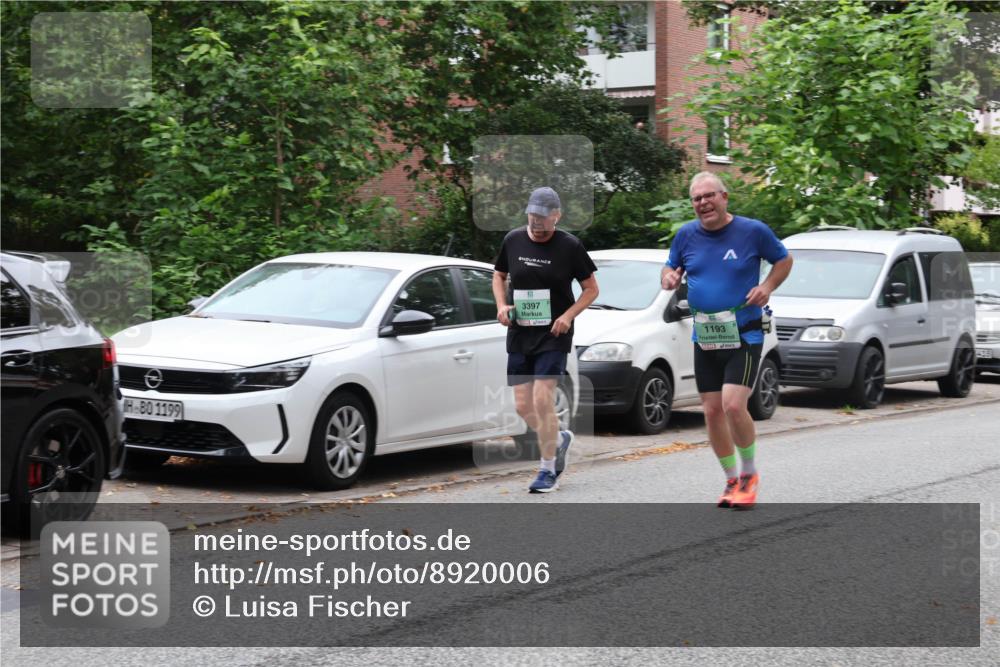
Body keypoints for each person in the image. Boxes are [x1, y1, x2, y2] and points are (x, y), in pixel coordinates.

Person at [661, 172, 793, 509]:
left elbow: (784, 260)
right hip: (705, 334)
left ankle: (749, 474)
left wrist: (766, 287)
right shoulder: (686, 236)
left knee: (734, 405)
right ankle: (731, 479)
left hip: (745, 331)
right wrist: (669, 276)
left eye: (709, 196)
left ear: (724, 197)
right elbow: (669, 267)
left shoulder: (752, 231)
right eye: (696, 199)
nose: (703, 203)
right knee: (711, 411)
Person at [493, 187, 599, 493]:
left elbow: (591, 289)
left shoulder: (570, 246)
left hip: (554, 333)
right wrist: (501, 306)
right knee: (523, 407)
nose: (536, 222)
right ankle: (559, 438)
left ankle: (547, 469)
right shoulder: (513, 240)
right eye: (532, 215)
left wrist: (568, 316)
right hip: (520, 331)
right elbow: (499, 275)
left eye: (543, 217)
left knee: (542, 399)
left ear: (557, 216)